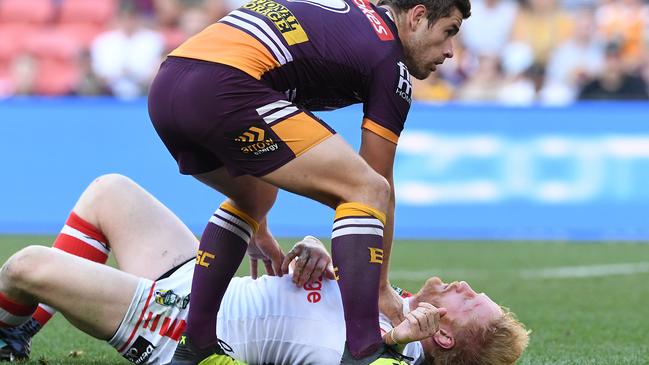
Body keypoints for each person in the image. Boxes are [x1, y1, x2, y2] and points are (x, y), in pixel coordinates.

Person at [147, 0, 471, 363]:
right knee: (367, 189)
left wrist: (256, 221)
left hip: (167, 87)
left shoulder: (356, 17)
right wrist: (380, 288)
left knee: (256, 194)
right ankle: (364, 347)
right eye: (449, 31)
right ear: (417, 16)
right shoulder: (390, 62)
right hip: (224, 86)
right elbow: (379, 182)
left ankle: (197, 344)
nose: (449, 51)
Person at [0, 174, 529, 365]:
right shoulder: (392, 307)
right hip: (205, 284)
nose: (463, 285)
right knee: (109, 191)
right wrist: (311, 252)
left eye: (470, 300)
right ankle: (23, 330)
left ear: (443, 339)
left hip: (175, 325)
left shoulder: (392, 350)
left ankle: (7, 328)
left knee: (25, 265)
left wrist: (390, 346)